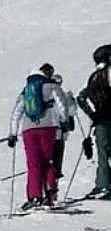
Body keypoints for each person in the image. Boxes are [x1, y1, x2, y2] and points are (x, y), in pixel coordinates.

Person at [8, 63, 69, 209]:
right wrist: (64, 121)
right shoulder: (52, 86)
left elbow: (16, 112)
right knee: (48, 160)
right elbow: (62, 104)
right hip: (48, 127)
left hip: (28, 129)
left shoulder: (26, 90)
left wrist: (12, 134)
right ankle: (50, 194)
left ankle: (34, 197)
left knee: (33, 164)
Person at [77, 44, 111, 199]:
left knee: (103, 155)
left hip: (100, 121)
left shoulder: (94, 77)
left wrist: (92, 114)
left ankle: (102, 185)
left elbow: (81, 97)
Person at [51, 74, 77, 179]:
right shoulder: (63, 95)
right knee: (58, 151)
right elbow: (72, 111)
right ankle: (56, 171)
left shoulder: (46, 94)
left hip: (47, 128)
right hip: (60, 128)